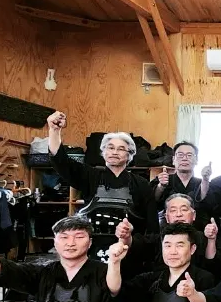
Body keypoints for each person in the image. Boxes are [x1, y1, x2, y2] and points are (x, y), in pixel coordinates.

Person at [45, 111, 158, 262]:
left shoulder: (142, 184)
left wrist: (133, 242)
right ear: (103, 152)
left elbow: (152, 229)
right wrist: (54, 131)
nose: (114, 152)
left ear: (129, 155)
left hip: (129, 253)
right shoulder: (90, 176)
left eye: (121, 149)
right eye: (110, 148)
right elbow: (61, 162)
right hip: (92, 252)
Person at [151, 142, 208, 224]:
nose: (184, 158)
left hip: (197, 228)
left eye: (189, 155)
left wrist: (205, 180)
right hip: (168, 228)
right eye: (180, 155)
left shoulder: (203, 183)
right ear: (173, 160)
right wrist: (161, 186)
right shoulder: (162, 180)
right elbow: (152, 202)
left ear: (196, 160)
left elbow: (208, 206)